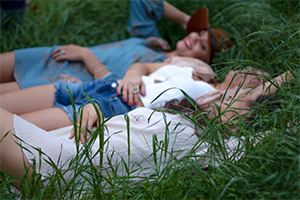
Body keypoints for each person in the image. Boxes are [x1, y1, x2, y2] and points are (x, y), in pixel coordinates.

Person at [0, 70, 293, 191]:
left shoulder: (214, 146)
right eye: (231, 93)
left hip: (53, 166)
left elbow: (278, 130)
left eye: (240, 100)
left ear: (249, 123)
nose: (228, 97)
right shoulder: (187, 114)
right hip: (56, 147)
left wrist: (282, 81)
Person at [0, 56, 268, 143]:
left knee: (11, 129)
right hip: (105, 86)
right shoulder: (197, 70)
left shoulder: (215, 101)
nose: (251, 74)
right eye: (252, 70)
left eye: (257, 77)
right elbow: (144, 67)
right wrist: (131, 75)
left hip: (113, 107)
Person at [0, 0, 232, 94]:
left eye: (202, 46)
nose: (194, 38)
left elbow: (114, 88)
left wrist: (85, 53)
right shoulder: (153, 41)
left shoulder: (165, 74)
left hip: (65, 79)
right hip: (58, 57)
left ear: (201, 63)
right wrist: (185, 21)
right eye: (198, 33)